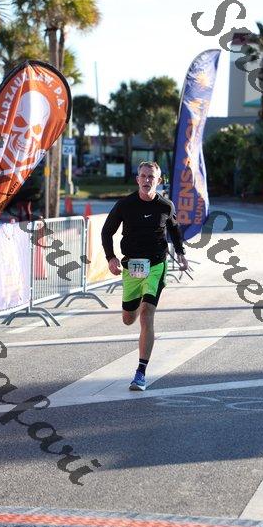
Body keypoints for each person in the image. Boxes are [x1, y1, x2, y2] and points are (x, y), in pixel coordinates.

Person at [101, 161, 188, 391]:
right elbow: (107, 231)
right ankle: (141, 299)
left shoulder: (165, 206)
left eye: (151, 177)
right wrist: (111, 257)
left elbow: (175, 230)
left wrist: (180, 253)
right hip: (132, 267)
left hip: (156, 265)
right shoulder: (125, 204)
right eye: (143, 176)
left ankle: (140, 373)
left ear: (158, 181)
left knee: (147, 313)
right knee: (128, 319)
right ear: (137, 179)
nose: (147, 180)